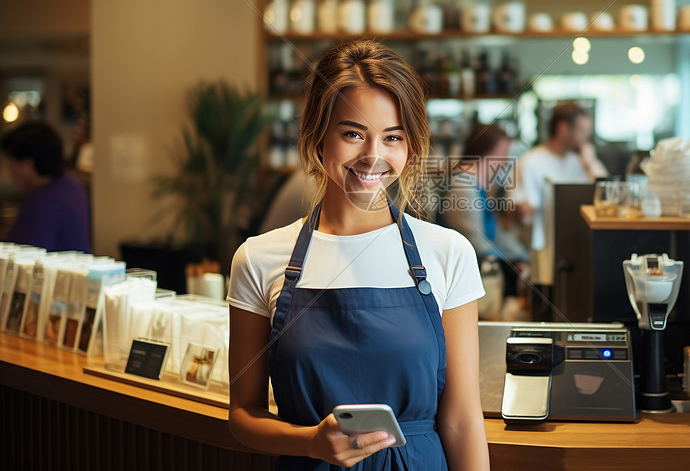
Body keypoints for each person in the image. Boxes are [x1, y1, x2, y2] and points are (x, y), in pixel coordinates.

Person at [227, 39, 490, 471]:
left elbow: (461, 420)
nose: (373, 156)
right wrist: (311, 443)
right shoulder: (257, 259)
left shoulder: (448, 253)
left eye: (392, 137)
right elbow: (243, 416)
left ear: (410, 146)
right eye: (352, 133)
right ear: (318, 135)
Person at [511, 103, 608, 286]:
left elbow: (608, 193)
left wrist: (590, 161)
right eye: (581, 131)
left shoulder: (581, 161)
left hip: (582, 244)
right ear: (563, 129)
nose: (585, 138)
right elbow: (523, 213)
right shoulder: (531, 161)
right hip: (545, 251)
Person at [441, 124, 529, 320]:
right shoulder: (463, 187)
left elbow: (494, 235)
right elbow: (476, 243)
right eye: (503, 152)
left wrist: (521, 256)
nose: (505, 160)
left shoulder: (477, 185)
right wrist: (514, 263)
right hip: (467, 281)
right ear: (489, 153)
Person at [1, 120, 91, 253]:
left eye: (11, 162)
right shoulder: (71, 184)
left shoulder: (41, 202)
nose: (10, 169)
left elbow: (21, 260)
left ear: (27, 164)